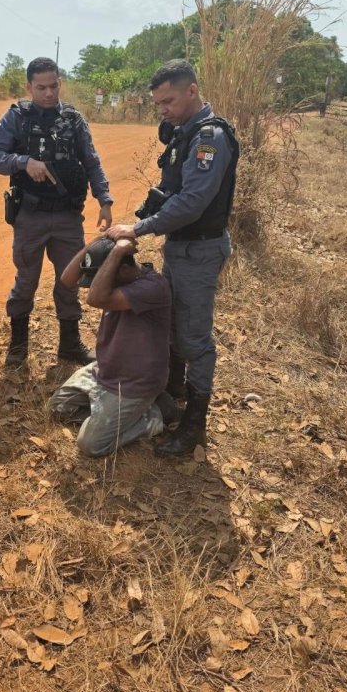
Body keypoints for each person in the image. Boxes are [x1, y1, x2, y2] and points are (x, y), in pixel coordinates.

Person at [108, 59, 239, 458]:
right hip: (181, 246)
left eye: (168, 100)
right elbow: (171, 191)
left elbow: (193, 201)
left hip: (199, 248)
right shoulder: (184, 134)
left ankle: (194, 426)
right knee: (174, 324)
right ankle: (174, 395)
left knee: (195, 339)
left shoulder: (209, 138)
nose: (162, 109)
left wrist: (141, 229)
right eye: (158, 103)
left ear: (192, 90)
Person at [0, 57, 114, 366]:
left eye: (53, 86)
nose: (48, 93)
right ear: (29, 87)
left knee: (69, 281)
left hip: (68, 216)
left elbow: (91, 160)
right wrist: (23, 163)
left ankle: (69, 346)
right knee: (26, 281)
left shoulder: (73, 119)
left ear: (60, 84)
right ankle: (18, 349)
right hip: (30, 214)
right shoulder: (17, 118)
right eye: (41, 87)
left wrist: (105, 199)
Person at [48, 236, 171, 457]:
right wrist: (100, 244)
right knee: (58, 409)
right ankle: (116, 416)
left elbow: (95, 298)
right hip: (105, 371)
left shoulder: (153, 287)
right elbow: (67, 280)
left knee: (91, 445)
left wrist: (116, 252)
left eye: (100, 278)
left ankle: (154, 416)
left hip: (134, 383)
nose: (94, 284)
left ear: (123, 268)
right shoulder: (118, 278)